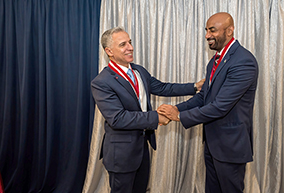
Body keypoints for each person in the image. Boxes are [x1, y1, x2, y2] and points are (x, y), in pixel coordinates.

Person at [91, 26, 204, 193]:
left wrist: (195, 87)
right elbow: (118, 118)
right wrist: (156, 117)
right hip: (121, 155)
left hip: (142, 148)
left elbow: (164, 88)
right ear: (109, 51)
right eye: (123, 44)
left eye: (130, 42)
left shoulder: (138, 71)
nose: (130, 47)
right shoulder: (102, 82)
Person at [157, 12, 258, 193]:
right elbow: (203, 97)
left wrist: (179, 116)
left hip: (230, 146)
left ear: (229, 31)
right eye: (206, 30)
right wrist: (174, 109)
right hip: (213, 143)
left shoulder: (243, 61)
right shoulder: (214, 61)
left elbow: (220, 106)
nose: (207, 36)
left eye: (212, 30)